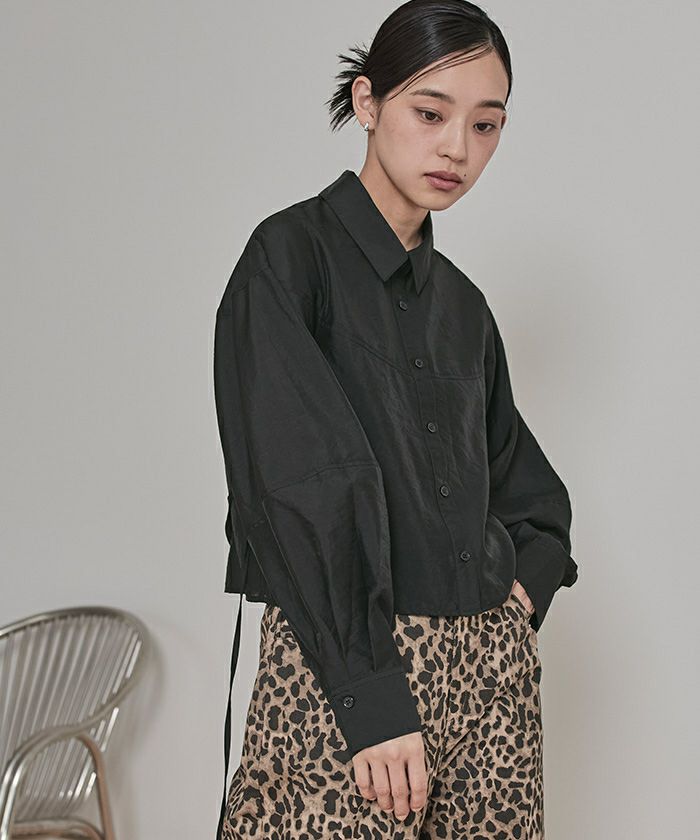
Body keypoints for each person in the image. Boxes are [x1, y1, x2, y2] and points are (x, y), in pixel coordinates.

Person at [213, 1, 578, 837]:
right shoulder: (288, 259)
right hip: (348, 664)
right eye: (430, 113)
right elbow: (300, 481)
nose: (457, 148)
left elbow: (526, 490)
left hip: (488, 676)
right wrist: (370, 692)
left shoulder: (464, 309)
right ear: (368, 101)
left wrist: (517, 603)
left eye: (486, 125)